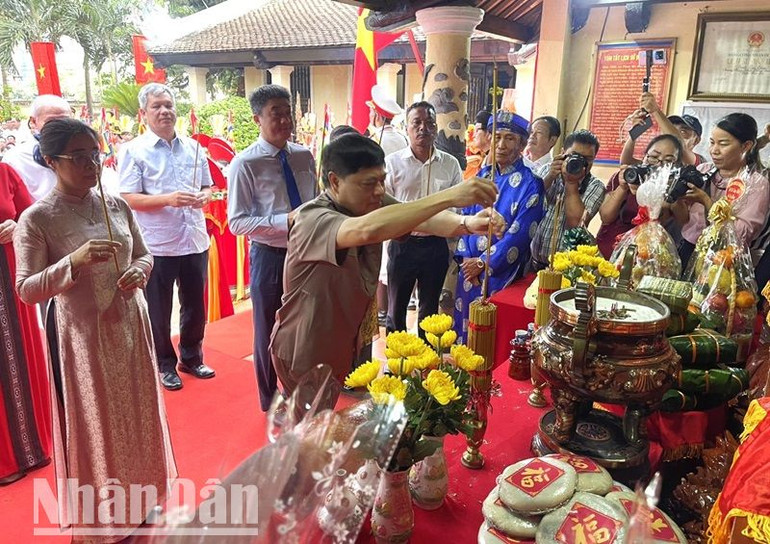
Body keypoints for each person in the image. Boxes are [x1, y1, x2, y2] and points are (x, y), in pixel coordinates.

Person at [14, 118, 176, 540]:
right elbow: (26, 289)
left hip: (129, 323)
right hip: (82, 337)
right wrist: (74, 262)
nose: (91, 164)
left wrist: (139, 272)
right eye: (79, 157)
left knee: (138, 415)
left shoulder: (116, 204)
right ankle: (104, 515)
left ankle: (143, 500)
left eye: (95, 154)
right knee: (98, 423)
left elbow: (144, 254)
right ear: (51, 161)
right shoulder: (37, 219)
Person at [269, 133, 504, 407]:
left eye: (382, 180)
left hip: (337, 342)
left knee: (322, 425)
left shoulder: (371, 202)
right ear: (335, 181)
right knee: (308, 436)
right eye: (369, 183)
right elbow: (367, 229)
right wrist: (450, 195)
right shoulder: (313, 218)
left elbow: (420, 219)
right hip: (304, 348)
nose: (380, 191)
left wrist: (466, 222)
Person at [119, 83, 215, 391]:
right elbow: (128, 197)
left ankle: (191, 356)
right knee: (159, 310)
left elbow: (208, 187)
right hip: (157, 244)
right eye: (157, 106)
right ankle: (163, 363)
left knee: (195, 307)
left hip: (194, 239)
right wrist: (167, 199)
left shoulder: (194, 147)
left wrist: (204, 197)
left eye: (169, 105)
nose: (164, 111)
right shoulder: (134, 150)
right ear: (143, 113)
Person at [228, 84, 317, 412]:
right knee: (268, 328)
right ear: (257, 118)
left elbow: (314, 200)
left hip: (306, 254)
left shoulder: (303, 155)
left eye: (287, 110)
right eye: (275, 113)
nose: (284, 119)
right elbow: (237, 222)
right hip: (269, 256)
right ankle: (269, 397)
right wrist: (286, 220)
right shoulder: (245, 164)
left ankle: (301, 388)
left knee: (305, 326)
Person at [454, 111, 545, 342]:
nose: (502, 144)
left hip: (499, 273)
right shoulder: (481, 176)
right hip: (468, 271)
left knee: (488, 337)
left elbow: (520, 235)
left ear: (523, 143)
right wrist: (466, 259)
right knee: (464, 330)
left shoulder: (531, 184)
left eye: (510, 138)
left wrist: (483, 263)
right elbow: (464, 217)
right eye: (497, 137)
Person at [385, 101, 463, 339]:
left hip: (435, 246)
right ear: (407, 127)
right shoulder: (393, 163)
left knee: (429, 311)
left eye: (429, 123)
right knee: (395, 309)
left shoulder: (450, 165)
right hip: (402, 244)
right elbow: (384, 206)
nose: (423, 128)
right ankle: (397, 364)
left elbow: (456, 205)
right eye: (416, 123)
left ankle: (426, 364)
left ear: (436, 128)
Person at [0, 163, 51, 486]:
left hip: (10, 275)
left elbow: (33, 218)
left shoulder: (4, 172)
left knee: (18, 357)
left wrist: (14, 225)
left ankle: (32, 447)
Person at [676, 114, 769, 271]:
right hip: (688, 249)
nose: (714, 150)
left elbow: (740, 235)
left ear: (746, 146)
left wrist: (706, 200)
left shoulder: (756, 184)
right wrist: (675, 200)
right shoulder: (702, 171)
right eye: (712, 143)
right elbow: (684, 220)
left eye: (723, 144)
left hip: (724, 260)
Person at [596, 134, 683, 258]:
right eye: (653, 157)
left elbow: (682, 222)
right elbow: (606, 217)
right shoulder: (628, 176)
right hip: (608, 252)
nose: (659, 164)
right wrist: (623, 187)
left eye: (668, 161)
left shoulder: (673, 188)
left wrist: (666, 197)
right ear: (644, 156)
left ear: (676, 166)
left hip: (647, 257)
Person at [530, 130, 606, 270]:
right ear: (562, 152)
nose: (580, 162)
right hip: (531, 262)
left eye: (588, 159)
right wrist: (550, 177)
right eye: (575, 156)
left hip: (566, 269)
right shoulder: (546, 170)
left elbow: (576, 224)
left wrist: (571, 183)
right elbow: (529, 202)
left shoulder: (596, 186)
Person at [2, 95, 72, 201]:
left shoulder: (84, 152)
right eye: (51, 122)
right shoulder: (14, 159)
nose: (59, 128)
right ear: (33, 122)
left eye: (65, 121)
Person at [621, 93, 705, 167]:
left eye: (683, 132)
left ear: (696, 140)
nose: (676, 133)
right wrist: (636, 131)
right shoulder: (657, 160)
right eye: (673, 129)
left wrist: (655, 110)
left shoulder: (699, 162)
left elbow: (680, 146)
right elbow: (626, 162)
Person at [367, 84, 408, 156]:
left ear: (377, 115)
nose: (369, 115)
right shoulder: (403, 138)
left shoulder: (375, 140)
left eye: (371, 111)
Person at [464, 110, 492, 180]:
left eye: (477, 130)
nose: (473, 135)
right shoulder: (475, 158)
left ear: (489, 134)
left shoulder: (496, 159)